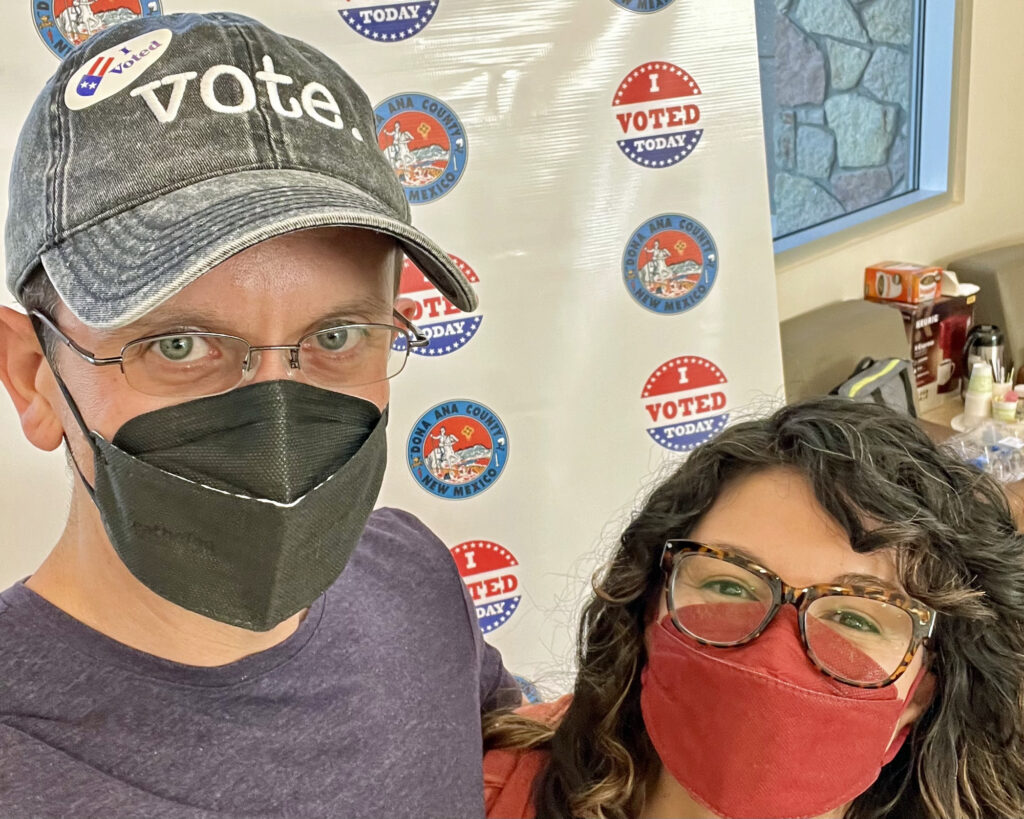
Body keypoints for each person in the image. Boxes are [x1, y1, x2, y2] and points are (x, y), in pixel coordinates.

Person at [0, 11, 518, 818]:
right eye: (178, 345)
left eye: (338, 335)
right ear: (34, 376)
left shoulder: (412, 573)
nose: (276, 425)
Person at [482, 398, 1024, 819]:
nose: (774, 653)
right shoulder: (487, 787)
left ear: (920, 693)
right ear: (649, 612)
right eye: (731, 585)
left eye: (855, 616)